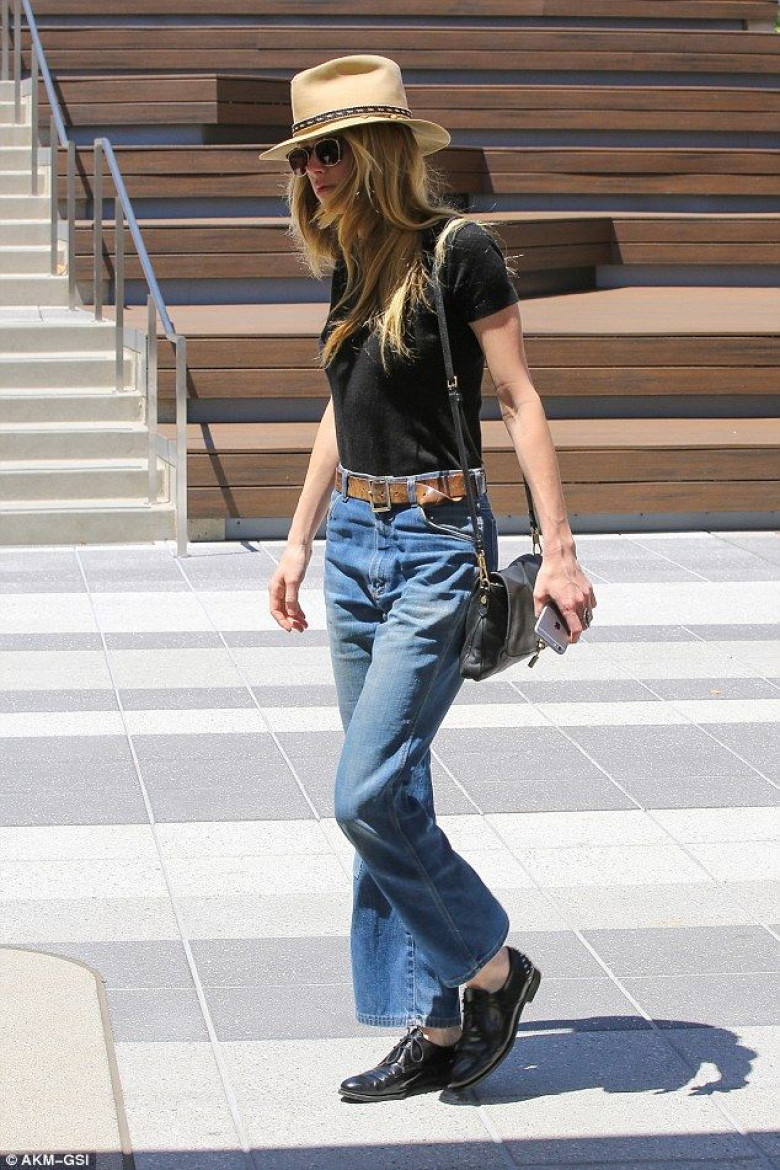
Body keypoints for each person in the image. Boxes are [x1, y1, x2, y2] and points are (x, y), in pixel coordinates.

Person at [261, 55, 596, 1101]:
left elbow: (520, 399)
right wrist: (298, 538)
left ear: (378, 150)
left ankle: (493, 969)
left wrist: (560, 549)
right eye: (303, 157)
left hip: (437, 543)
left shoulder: (461, 251)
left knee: (363, 792)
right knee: (393, 789)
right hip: (356, 545)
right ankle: (439, 1024)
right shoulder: (351, 260)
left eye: (329, 151)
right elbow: (342, 409)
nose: (314, 172)